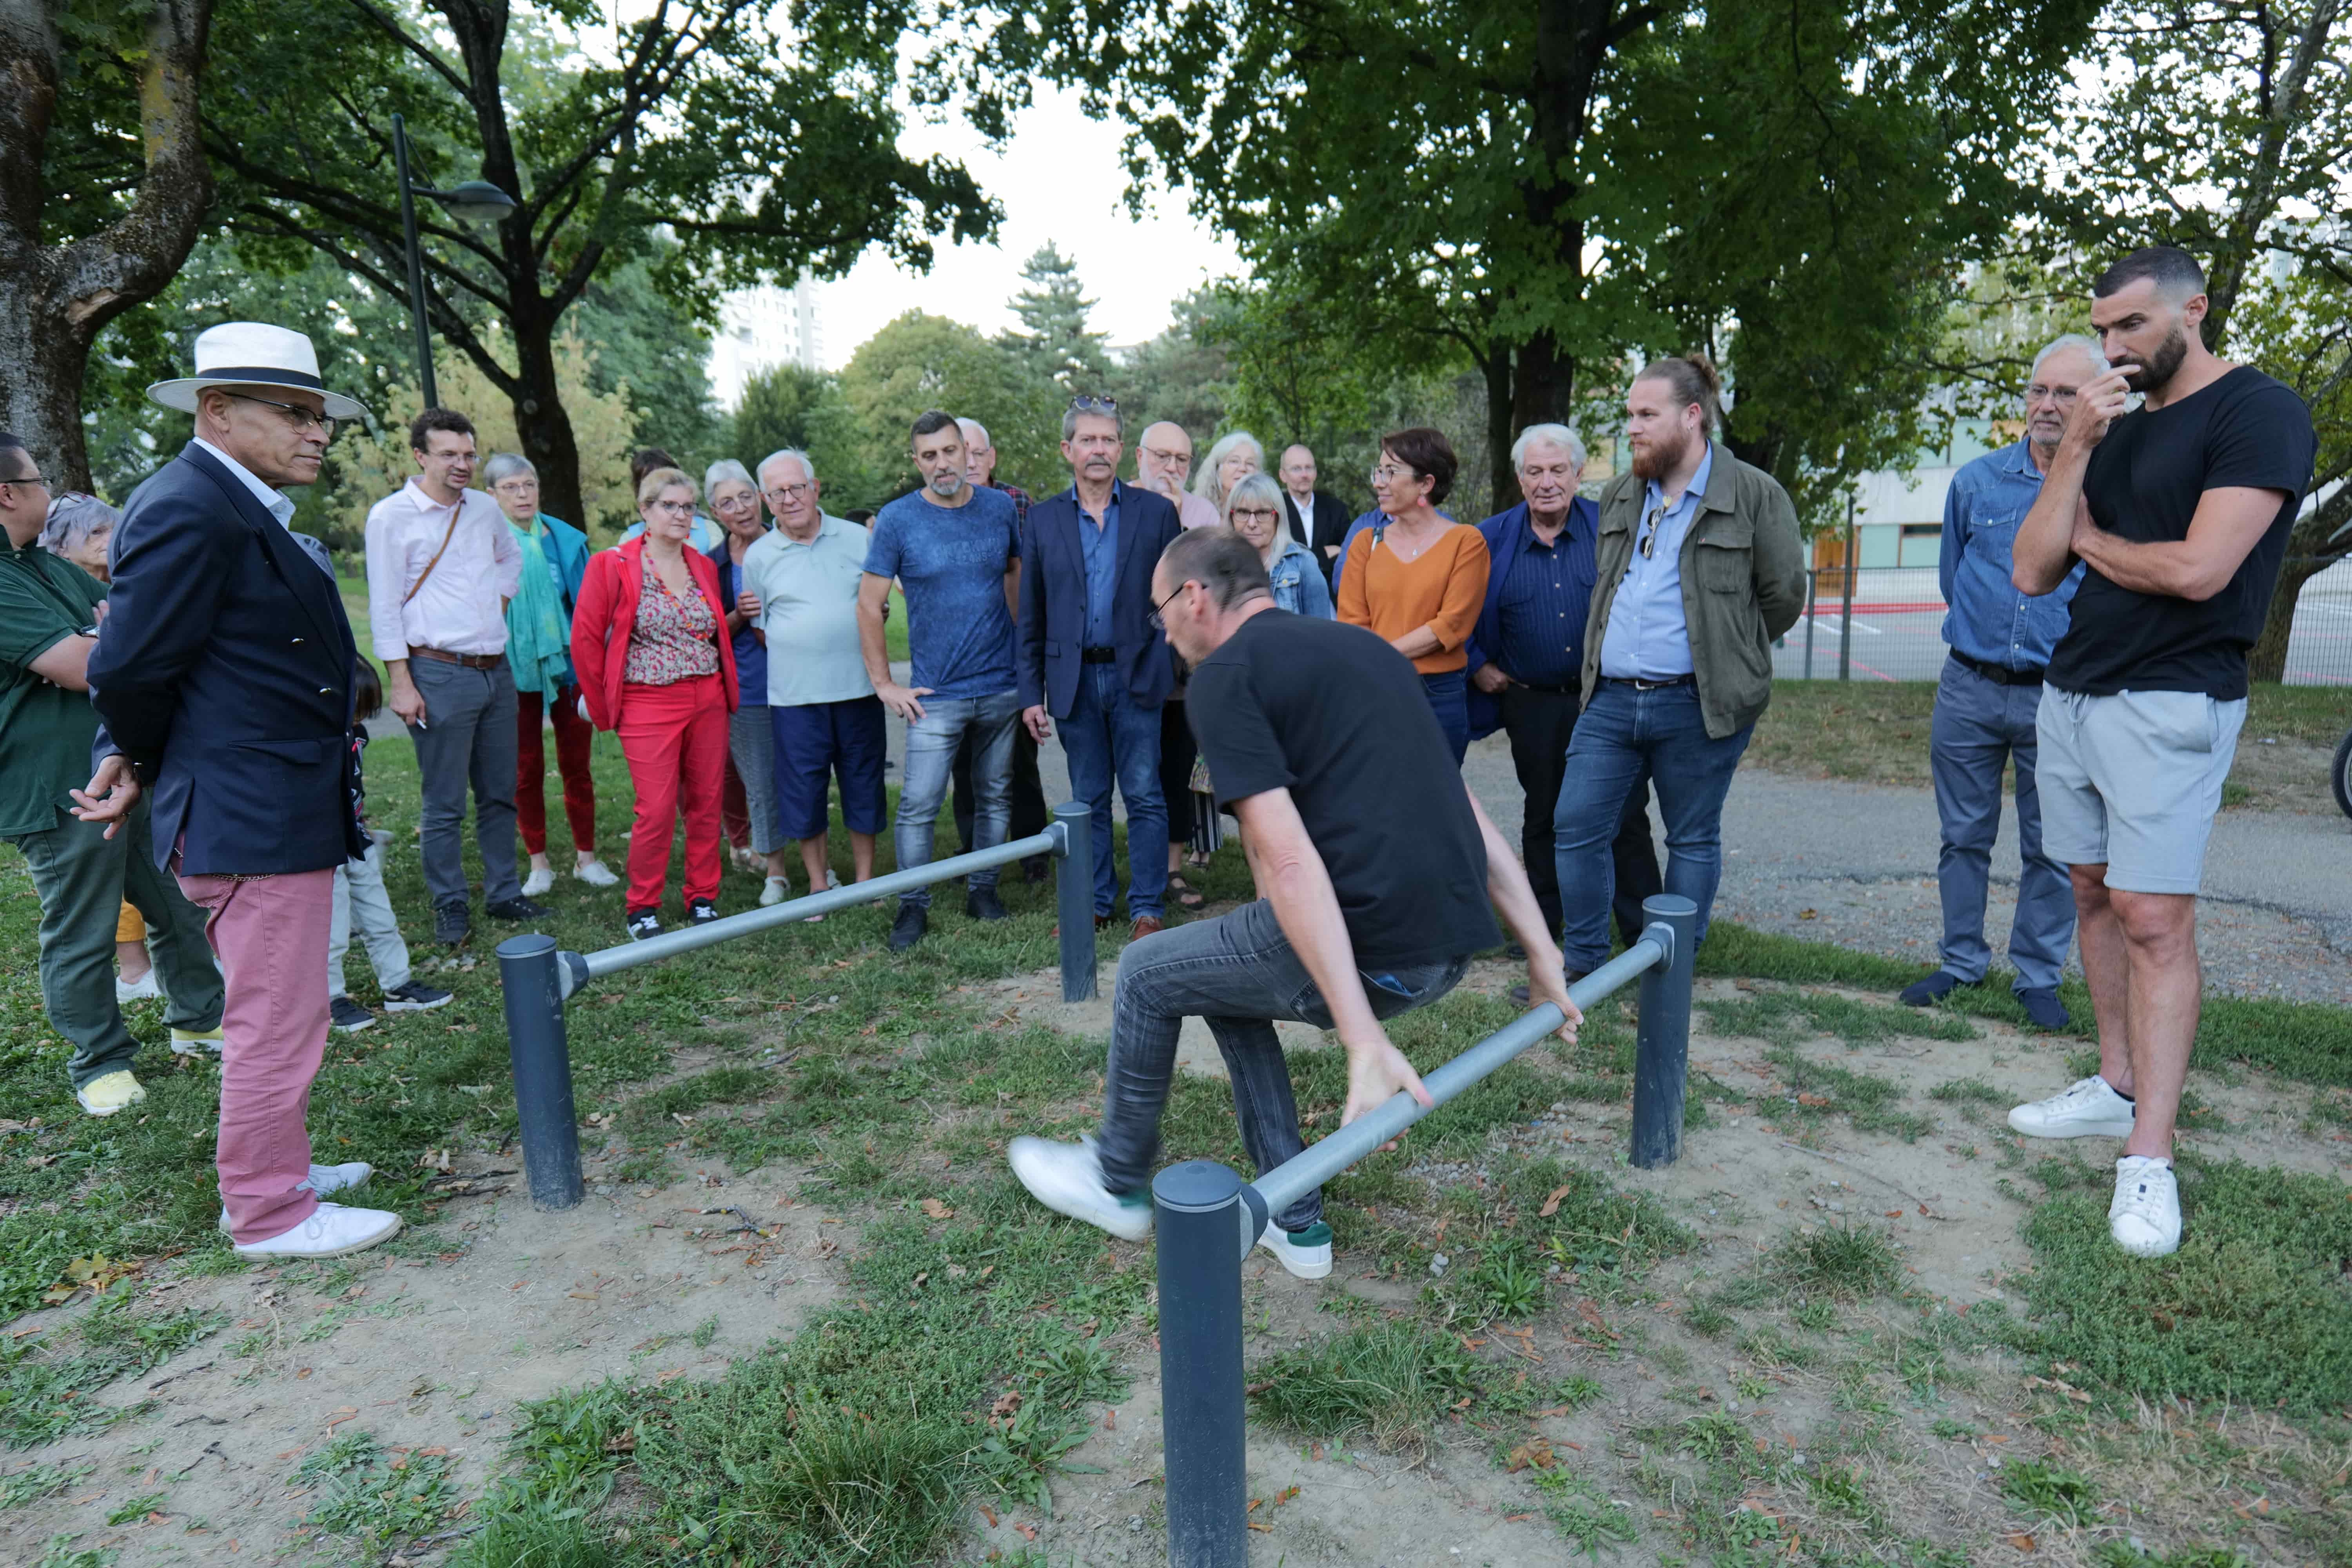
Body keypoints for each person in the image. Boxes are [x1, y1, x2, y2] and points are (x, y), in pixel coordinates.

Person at [1008, 528, 1581, 1279]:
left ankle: (1113, 1182)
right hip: (1448, 948)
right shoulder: (1368, 650)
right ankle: (1295, 1216)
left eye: (1159, 613)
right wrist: (1544, 954)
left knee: (1149, 971)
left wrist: (1361, 1038)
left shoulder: (1226, 676)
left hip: (1376, 943)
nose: (1164, 631)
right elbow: (1471, 815)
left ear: (1194, 597)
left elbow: (1284, 861)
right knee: (1212, 979)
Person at [2007, 247, 2317, 1259]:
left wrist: (2090, 534)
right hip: (2077, 689)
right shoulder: (2116, 425)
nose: (2113, 347)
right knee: (2091, 890)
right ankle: (2116, 1082)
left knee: (2153, 919)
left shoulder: (2257, 413)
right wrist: (2078, 451)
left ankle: (2151, 1155)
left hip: (2174, 699)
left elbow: (2198, 570)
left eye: (2132, 326)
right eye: (2102, 329)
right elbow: (2029, 569)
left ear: (2195, 309)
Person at [75, 321, 399, 1257]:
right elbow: (132, 667)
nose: (318, 433)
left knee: (282, 1007)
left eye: (321, 415)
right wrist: (132, 754)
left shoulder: (227, 501)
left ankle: (277, 1170)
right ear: (217, 411)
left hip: (270, 799)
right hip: (247, 811)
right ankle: (268, 1210)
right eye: (295, 413)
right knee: (273, 1015)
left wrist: (129, 751)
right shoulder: (191, 505)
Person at [1552, 356, 1806, 982]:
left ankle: (1670, 972)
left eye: (1646, 414)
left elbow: (1783, 595)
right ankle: (1581, 969)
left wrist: (1727, 655)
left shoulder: (1752, 494)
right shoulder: (1619, 493)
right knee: (1576, 826)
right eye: (1630, 414)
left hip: (1698, 702)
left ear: (1692, 417)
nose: (1631, 427)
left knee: (1690, 839)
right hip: (1609, 700)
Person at [0, 437, 227, 1116]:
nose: (52, 492)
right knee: (84, 925)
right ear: (8, 493)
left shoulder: (45, 566)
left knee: (176, 901)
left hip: (123, 765)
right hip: (57, 786)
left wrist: (106, 643)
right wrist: (105, 645)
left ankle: (197, 1015)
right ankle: (99, 1063)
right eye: (41, 480)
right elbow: (81, 664)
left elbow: (124, 632)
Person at [1900, 338, 2103, 1030]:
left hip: (2060, 694)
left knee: (2052, 844)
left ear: (2099, 404)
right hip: (1970, 687)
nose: (2047, 405)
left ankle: (2038, 977)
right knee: (1963, 836)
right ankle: (1960, 962)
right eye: (2039, 391)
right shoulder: (1978, 482)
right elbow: (1954, 576)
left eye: (2066, 394)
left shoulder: (2108, 487)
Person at [1465, 425, 1662, 959]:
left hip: (1604, 698)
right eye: (1535, 472)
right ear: (1520, 478)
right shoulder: (1488, 540)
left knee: (1623, 812)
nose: (1547, 482)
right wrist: (1477, 664)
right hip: (1528, 700)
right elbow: (1453, 612)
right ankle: (1545, 924)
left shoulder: (1611, 528)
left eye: (1558, 471)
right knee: (1544, 812)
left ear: (1578, 474)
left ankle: (1645, 933)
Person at [366, 408, 543, 946]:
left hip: (496, 671)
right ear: (420, 456)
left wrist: (498, 599)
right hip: (437, 672)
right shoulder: (391, 517)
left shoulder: (486, 509)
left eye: (469, 454)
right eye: (449, 454)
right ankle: (450, 905)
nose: (462, 464)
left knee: (499, 793)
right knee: (444, 803)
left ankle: (505, 893)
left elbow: (511, 559)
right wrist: (401, 681)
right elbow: (384, 606)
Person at [1016, 396, 1183, 940]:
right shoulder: (1041, 521)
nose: (1097, 449)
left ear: (1122, 449)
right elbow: (1031, 615)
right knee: (1086, 797)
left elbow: (1175, 597)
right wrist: (1029, 694)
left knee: (1144, 793)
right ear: (1068, 450)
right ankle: (1095, 901)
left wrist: (1160, 653)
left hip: (1136, 675)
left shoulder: (1156, 513)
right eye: (1087, 440)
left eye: (1107, 439)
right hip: (1073, 681)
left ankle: (1147, 908)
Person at [860, 411, 1024, 951]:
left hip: (1001, 685)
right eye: (929, 456)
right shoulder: (898, 520)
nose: (942, 464)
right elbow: (869, 605)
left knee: (995, 796)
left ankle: (984, 891)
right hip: (936, 694)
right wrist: (886, 684)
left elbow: (1015, 579)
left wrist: (1027, 664)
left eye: (950, 451)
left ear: (967, 453)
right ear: (917, 462)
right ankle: (914, 906)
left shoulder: (1000, 509)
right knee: (919, 805)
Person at [573, 468, 740, 940]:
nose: (682, 514)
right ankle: (642, 904)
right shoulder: (613, 564)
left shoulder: (703, 565)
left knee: (708, 800)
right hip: (647, 699)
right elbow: (586, 639)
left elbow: (714, 630)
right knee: (658, 806)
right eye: (670, 505)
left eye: (689, 506)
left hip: (706, 694)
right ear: (645, 510)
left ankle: (703, 895)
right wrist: (604, 709)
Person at [744, 449, 886, 900]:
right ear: (767, 501)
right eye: (777, 493)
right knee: (803, 791)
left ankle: (864, 880)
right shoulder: (759, 556)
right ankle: (820, 884)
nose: (789, 499)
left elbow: (877, 603)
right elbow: (761, 626)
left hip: (859, 687)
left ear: (815, 487)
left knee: (863, 782)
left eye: (796, 487)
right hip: (795, 697)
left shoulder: (856, 538)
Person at [40, 490, 164, 1003]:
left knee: (152, 866)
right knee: (101, 866)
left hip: (133, 750)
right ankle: (134, 970)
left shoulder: (126, 586)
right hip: (77, 761)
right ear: (60, 549)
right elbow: (81, 667)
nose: (110, 541)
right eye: (94, 534)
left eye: (110, 529)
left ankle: (181, 988)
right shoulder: (52, 595)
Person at [485, 452, 617, 896]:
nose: (523, 495)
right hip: (512, 668)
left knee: (577, 765)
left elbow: (587, 604)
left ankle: (587, 858)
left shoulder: (565, 539)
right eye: (511, 488)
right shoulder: (482, 542)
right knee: (525, 768)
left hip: (569, 665)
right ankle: (538, 863)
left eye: (529, 485)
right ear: (492, 495)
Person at [1338, 428, 1491, 762]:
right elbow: (1352, 622)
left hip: (1438, 695)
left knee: (1434, 806)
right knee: (1378, 803)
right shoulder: (1366, 543)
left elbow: (1452, 625)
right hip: (1376, 690)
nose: (1379, 482)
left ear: (1426, 484)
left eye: (1391, 472)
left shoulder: (1467, 542)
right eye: (1379, 471)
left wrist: (1382, 656)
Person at [326, 662, 454, 1031]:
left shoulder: (358, 735)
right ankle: (329, 998)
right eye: (353, 712)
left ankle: (398, 985)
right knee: (332, 930)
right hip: (324, 850)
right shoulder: (313, 741)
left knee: (381, 918)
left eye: (364, 713)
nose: (358, 720)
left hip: (358, 842)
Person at [953, 416, 1048, 880]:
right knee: (965, 760)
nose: (968, 461)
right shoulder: (937, 506)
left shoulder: (1017, 502)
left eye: (977, 452)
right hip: (958, 656)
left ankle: (1033, 854)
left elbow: (1030, 572)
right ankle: (975, 853)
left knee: (1020, 759)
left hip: (1009, 646)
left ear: (991, 458)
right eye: (960, 450)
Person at [704, 458, 796, 906]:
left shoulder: (791, 544)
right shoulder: (711, 566)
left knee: (804, 773)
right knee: (760, 781)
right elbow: (704, 631)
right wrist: (740, 615)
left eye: (746, 496)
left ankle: (817, 859)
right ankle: (775, 871)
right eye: (727, 502)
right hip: (749, 687)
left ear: (760, 498)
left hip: (803, 682)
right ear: (714, 513)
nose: (740, 508)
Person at [1135, 421, 1218, 906]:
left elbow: (1206, 577)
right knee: (1137, 770)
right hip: (1138, 659)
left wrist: (1176, 517)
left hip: (1186, 667)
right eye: (1161, 456)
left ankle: (1171, 869)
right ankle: (1129, 869)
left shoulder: (1203, 510)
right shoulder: (1122, 501)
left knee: (1177, 766)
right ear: (1140, 457)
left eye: (1181, 460)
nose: (1170, 467)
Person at [1226, 472, 1332, 618]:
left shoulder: (1303, 564)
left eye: (1263, 513)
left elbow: (1321, 633)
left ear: (1278, 517)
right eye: (1243, 512)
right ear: (1231, 517)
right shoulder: (1219, 567)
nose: (1252, 524)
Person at [617, 446, 720, 550]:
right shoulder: (629, 539)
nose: (680, 516)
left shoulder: (708, 532)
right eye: (669, 505)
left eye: (670, 479)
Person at [1277, 443, 1349, 580]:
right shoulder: (1274, 510)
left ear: (1315, 473)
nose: (1304, 475)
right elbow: (1277, 561)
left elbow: (1349, 557)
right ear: (1283, 475)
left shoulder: (1336, 509)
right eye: (1296, 469)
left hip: (1331, 596)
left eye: (1309, 468)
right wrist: (1322, 555)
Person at [1191, 430, 1265, 516]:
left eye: (1250, 464)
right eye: (1234, 461)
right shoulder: (1197, 512)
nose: (1243, 468)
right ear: (1217, 469)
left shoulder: (1266, 514)